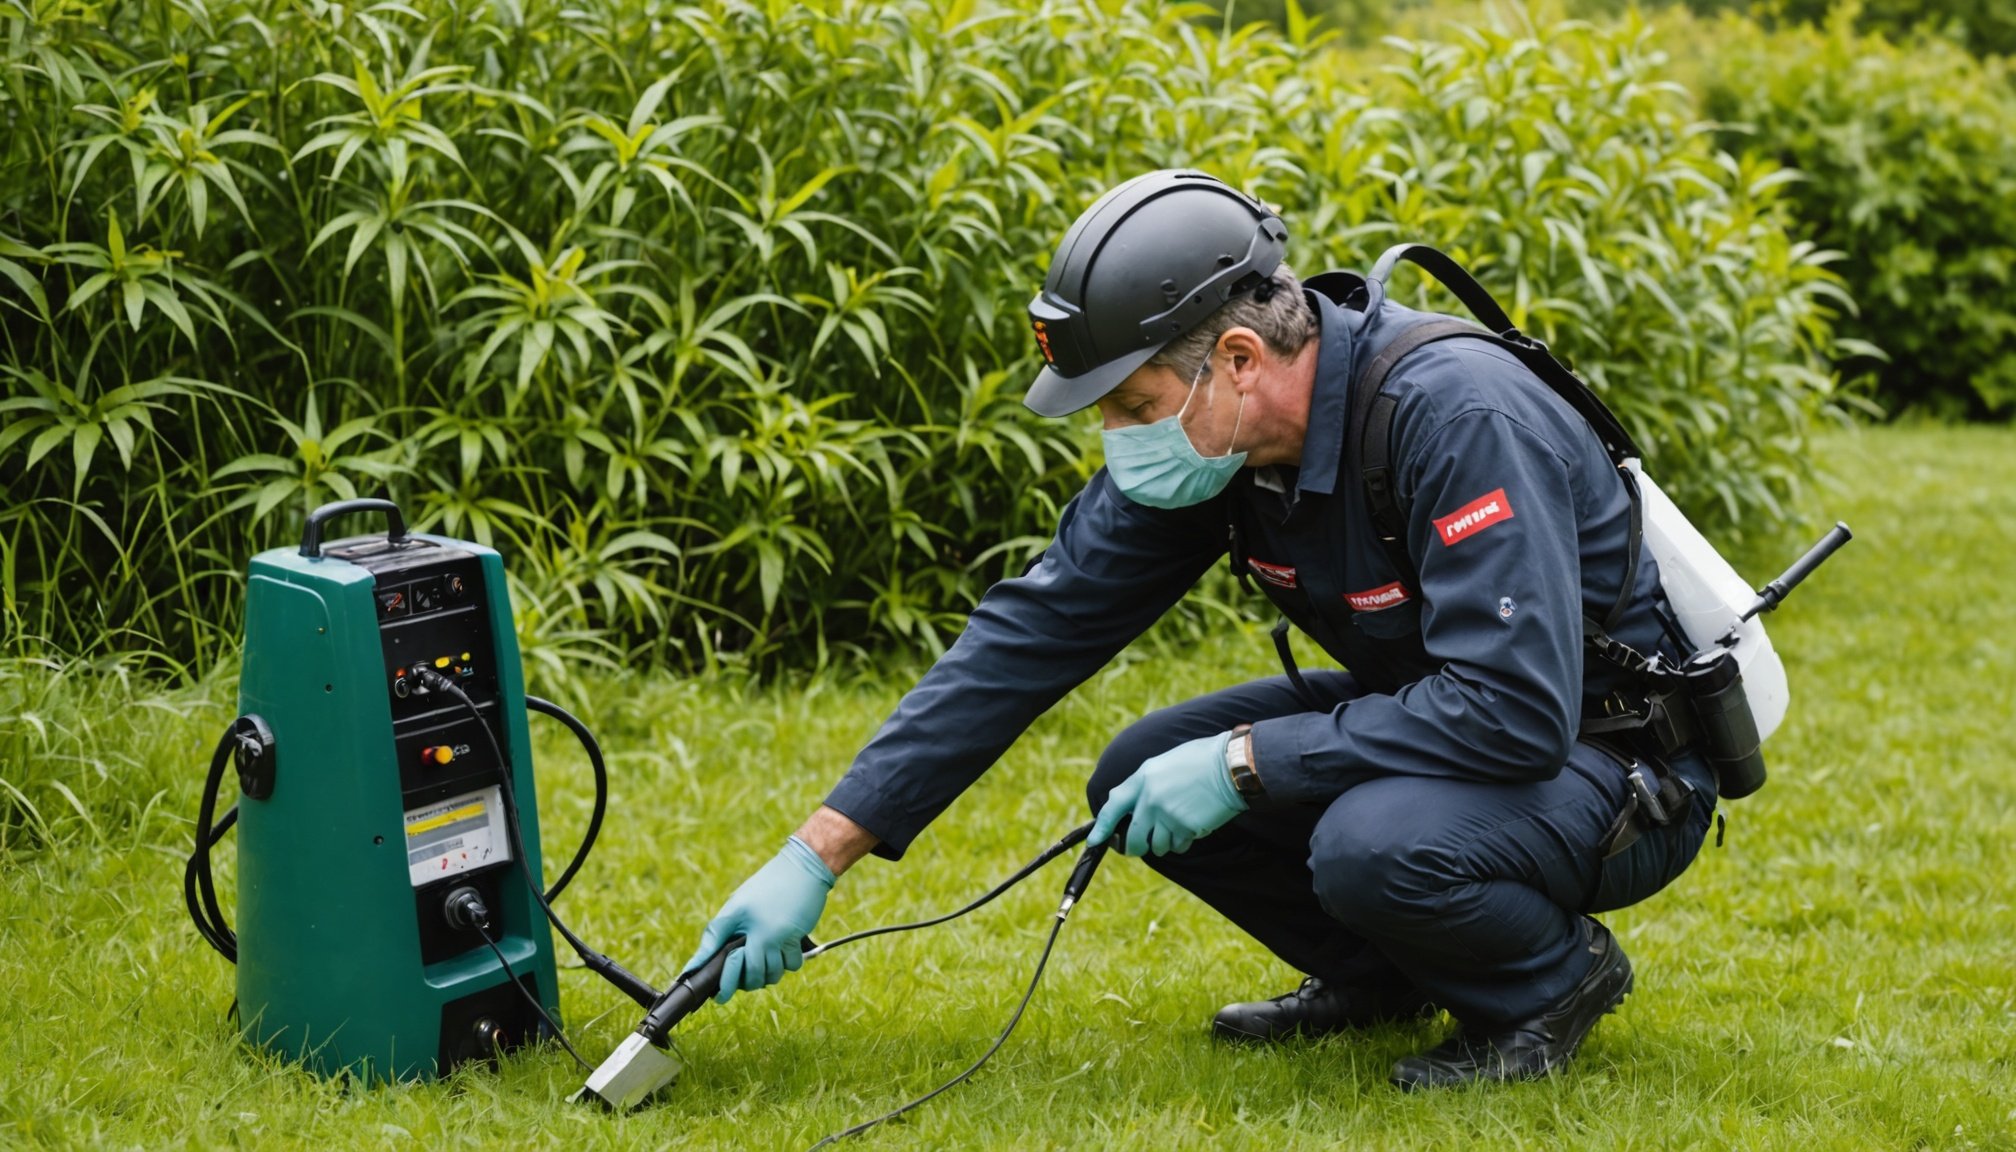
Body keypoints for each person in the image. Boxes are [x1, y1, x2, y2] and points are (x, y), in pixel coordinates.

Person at [682, 169, 1717, 1088]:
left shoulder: (1456, 417)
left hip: (1609, 759)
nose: (1117, 438)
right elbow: (1032, 633)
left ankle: (1549, 981)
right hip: (1457, 718)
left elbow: (1515, 712)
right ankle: (1385, 978)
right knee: (1138, 769)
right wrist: (816, 855)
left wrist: (1243, 761)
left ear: (1237, 357)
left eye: (1133, 407)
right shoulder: (1219, 444)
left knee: (1370, 843)